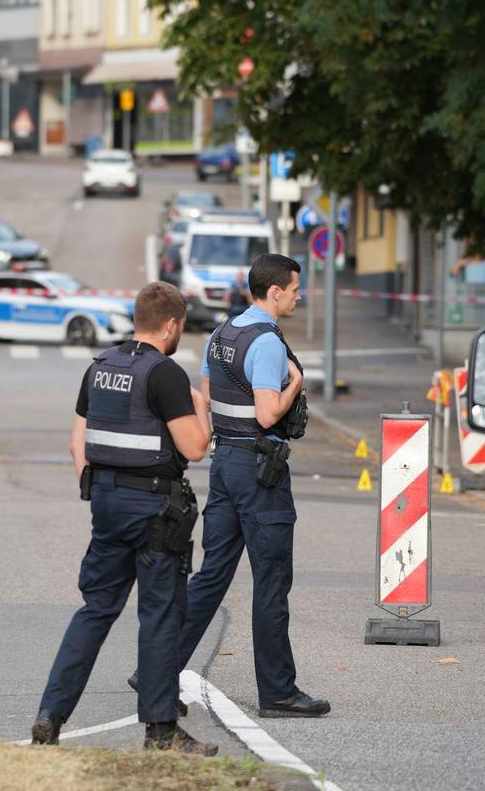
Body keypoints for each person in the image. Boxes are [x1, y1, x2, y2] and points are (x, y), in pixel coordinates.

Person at [32, 281, 217, 754]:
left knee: (94, 611)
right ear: (173, 325)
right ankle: (160, 732)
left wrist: (101, 493)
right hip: (155, 509)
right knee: (159, 616)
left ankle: (49, 717)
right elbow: (194, 448)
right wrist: (203, 410)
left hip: (107, 505)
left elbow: (78, 445)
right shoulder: (165, 374)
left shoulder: (100, 368)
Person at [179, 252, 329, 717]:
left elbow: (204, 393)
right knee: (270, 582)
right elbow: (268, 413)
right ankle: (279, 693)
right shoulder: (265, 341)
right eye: (296, 289)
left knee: (211, 576)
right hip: (260, 471)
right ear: (275, 291)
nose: (299, 296)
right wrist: (295, 384)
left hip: (225, 464)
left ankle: (156, 668)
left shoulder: (223, 332)